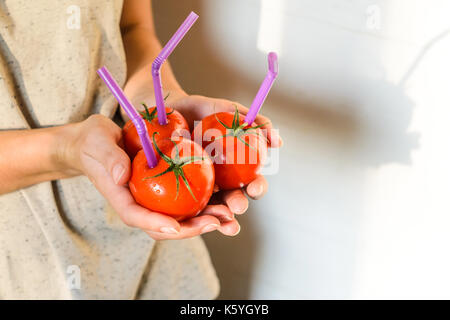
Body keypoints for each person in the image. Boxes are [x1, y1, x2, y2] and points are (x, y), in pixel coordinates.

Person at [0, 0, 281, 299]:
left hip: (158, 261)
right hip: (35, 264)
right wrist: (65, 151)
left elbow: (130, 28)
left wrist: (158, 103)